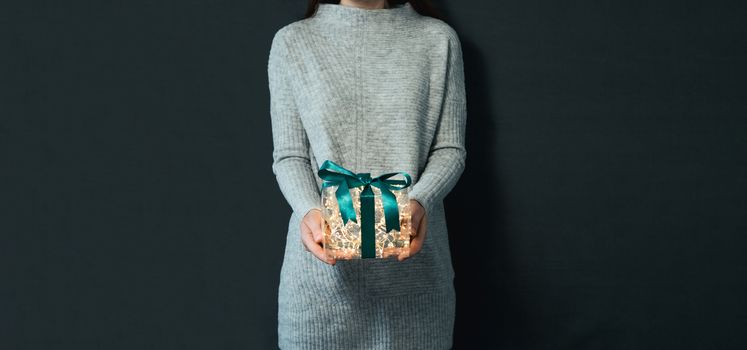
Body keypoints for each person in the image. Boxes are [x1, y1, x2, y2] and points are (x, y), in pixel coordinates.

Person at [267, 0, 467, 348]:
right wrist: (310, 212)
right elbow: (290, 155)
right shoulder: (292, 42)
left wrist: (420, 201)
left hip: (414, 284)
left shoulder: (437, 40)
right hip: (320, 287)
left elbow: (450, 149)